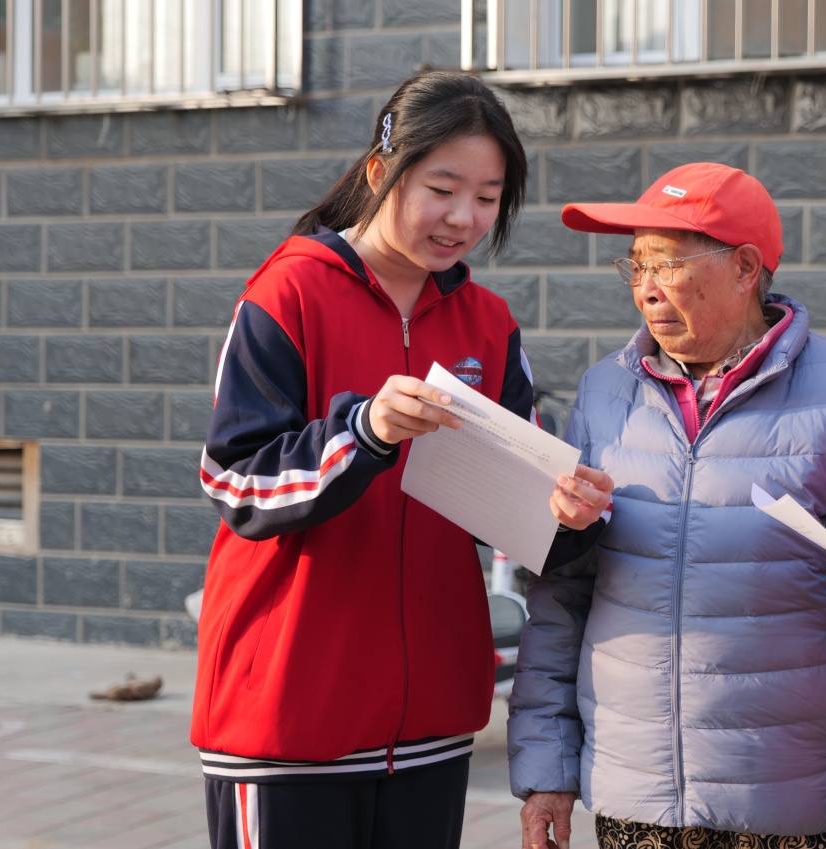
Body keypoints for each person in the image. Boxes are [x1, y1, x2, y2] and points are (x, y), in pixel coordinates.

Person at [193, 70, 613, 849]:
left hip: (431, 726)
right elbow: (235, 480)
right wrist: (364, 433)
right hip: (287, 719)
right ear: (382, 173)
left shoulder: (489, 323)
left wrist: (573, 516)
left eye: (487, 197)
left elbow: (522, 509)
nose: (463, 218)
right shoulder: (287, 295)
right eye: (443, 188)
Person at [507, 162, 826, 849]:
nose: (646, 289)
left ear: (745, 269)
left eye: (668, 265)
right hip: (633, 797)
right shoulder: (604, 393)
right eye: (636, 266)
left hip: (789, 802)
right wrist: (546, 766)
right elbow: (561, 594)